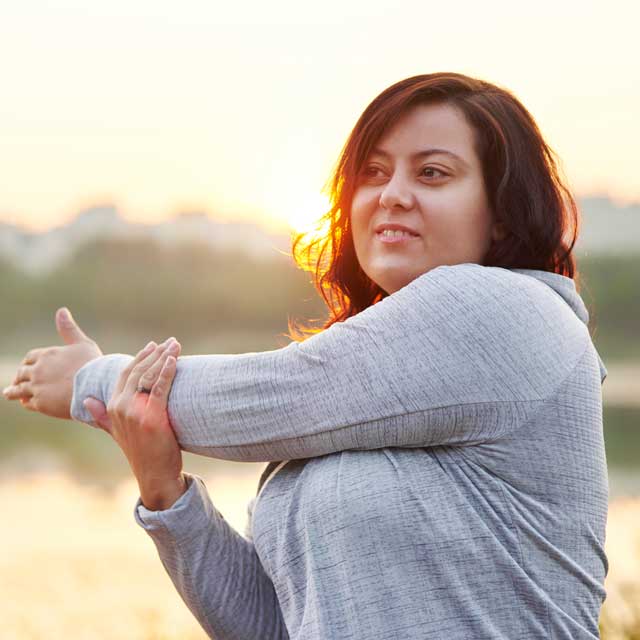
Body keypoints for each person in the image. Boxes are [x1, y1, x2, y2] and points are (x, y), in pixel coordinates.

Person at [3, 72, 609, 639]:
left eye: (432, 173)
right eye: (373, 172)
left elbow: (265, 395)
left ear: (501, 214)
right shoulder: (364, 390)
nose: (392, 195)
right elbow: (274, 626)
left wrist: (91, 380)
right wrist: (166, 492)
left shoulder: (511, 310)